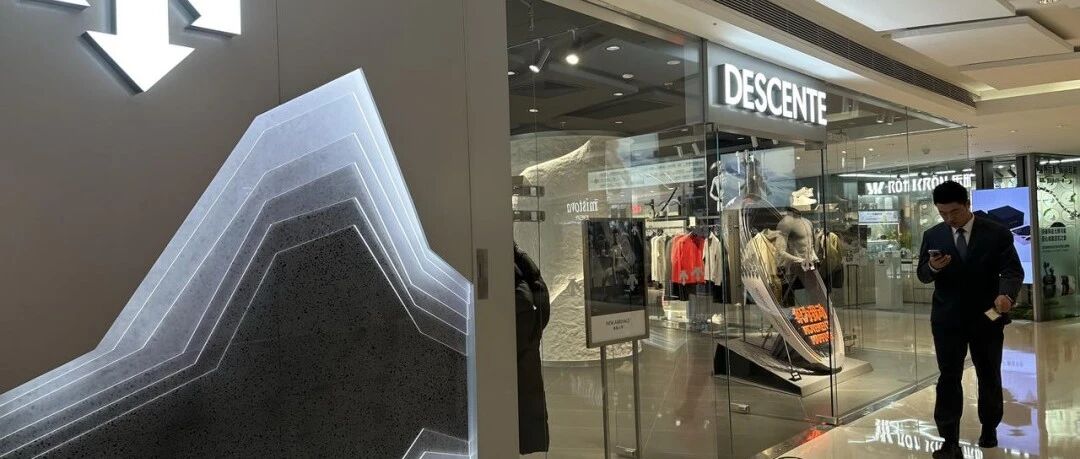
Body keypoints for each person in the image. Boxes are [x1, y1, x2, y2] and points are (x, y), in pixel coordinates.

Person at [917, 181, 1023, 459]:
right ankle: (949, 441)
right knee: (948, 377)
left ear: (967, 204)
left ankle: (989, 427)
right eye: (942, 213)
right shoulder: (933, 234)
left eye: (954, 212)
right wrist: (932, 267)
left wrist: (1006, 295)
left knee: (989, 374)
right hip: (947, 318)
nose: (949, 219)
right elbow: (922, 274)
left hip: (987, 316)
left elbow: (1012, 270)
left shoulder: (996, 232)